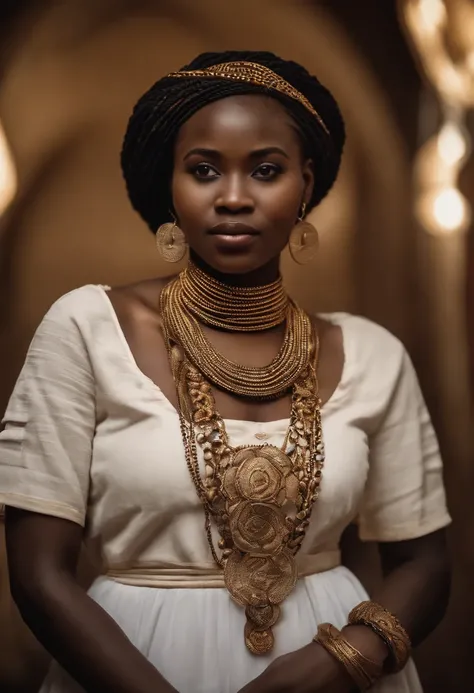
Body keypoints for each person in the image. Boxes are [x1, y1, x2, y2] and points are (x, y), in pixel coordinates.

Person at [0, 51, 451, 693]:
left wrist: (343, 659)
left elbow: (425, 563)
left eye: (266, 171)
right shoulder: (86, 328)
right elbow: (38, 576)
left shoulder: (374, 353)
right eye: (204, 170)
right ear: (172, 190)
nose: (234, 197)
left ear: (305, 185)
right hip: (126, 666)